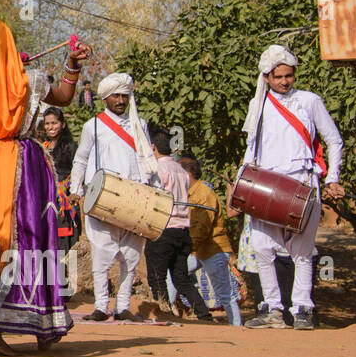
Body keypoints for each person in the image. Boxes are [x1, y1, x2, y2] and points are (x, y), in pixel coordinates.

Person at [0, 20, 84, 354]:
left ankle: (4, 324)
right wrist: (71, 65)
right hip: (28, 163)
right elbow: (64, 96)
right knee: (33, 237)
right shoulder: (30, 79)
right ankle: (39, 324)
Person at [239, 45, 343, 330]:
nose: (284, 81)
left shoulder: (309, 101)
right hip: (266, 186)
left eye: (288, 75)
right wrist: (243, 183)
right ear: (267, 78)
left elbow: (333, 140)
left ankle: (303, 309)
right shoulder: (257, 105)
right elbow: (251, 148)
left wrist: (332, 177)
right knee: (261, 247)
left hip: (302, 181)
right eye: (278, 76)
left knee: (302, 251)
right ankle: (272, 308)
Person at [68, 73, 158, 323]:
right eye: (116, 95)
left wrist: (155, 191)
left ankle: (123, 306)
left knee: (131, 254)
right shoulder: (92, 126)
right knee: (102, 253)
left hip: (135, 197)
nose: (121, 100)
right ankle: (100, 306)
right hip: (102, 197)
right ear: (106, 97)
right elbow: (81, 159)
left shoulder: (140, 123)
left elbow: (148, 160)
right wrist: (76, 187)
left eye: (124, 95)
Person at [143, 131, 214, 321]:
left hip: (163, 227)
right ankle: (203, 312)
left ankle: (164, 311)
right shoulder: (181, 170)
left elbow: (155, 197)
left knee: (157, 276)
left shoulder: (157, 168)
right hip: (182, 229)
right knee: (180, 277)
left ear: (153, 148)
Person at [179, 155, 241, 326]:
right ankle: (168, 309)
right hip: (199, 249)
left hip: (213, 249)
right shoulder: (190, 193)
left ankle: (237, 326)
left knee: (225, 294)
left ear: (187, 174)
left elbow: (202, 227)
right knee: (175, 275)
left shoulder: (204, 194)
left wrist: (186, 247)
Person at [39, 106, 80, 252]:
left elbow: (77, 173)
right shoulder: (42, 147)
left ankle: (67, 274)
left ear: (62, 124)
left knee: (66, 245)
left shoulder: (71, 147)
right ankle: (52, 274)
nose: (50, 127)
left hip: (65, 203)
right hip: (47, 201)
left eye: (54, 123)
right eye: (47, 123)